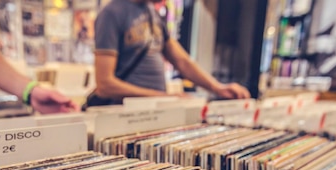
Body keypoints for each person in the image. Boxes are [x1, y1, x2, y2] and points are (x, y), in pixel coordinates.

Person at [92, 0, 250, 104]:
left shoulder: (151, 12)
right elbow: (105, 85)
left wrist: (218, 88)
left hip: (154, 113)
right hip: (124, 116)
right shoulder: (111, 13)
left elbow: (182, 61)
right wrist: (166, 98)